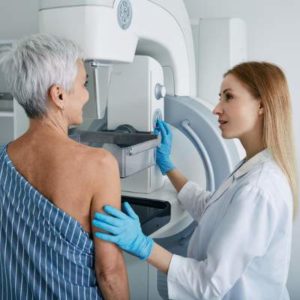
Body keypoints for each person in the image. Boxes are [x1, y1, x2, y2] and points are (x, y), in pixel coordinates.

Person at [92, 61, 297, 299]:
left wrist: (143, 246)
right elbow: (212, 210)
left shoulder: (258, 188)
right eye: (220, 97)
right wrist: (167, 166)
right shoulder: (255, 167)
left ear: (261, 105)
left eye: (228, 97)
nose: (216, 109)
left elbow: (208, 284)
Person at [0, 34, 129, 299]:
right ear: (58, 94)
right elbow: (109, 272)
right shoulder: (100, 164)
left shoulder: (2, 159)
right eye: (84, 84)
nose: (86, 95)